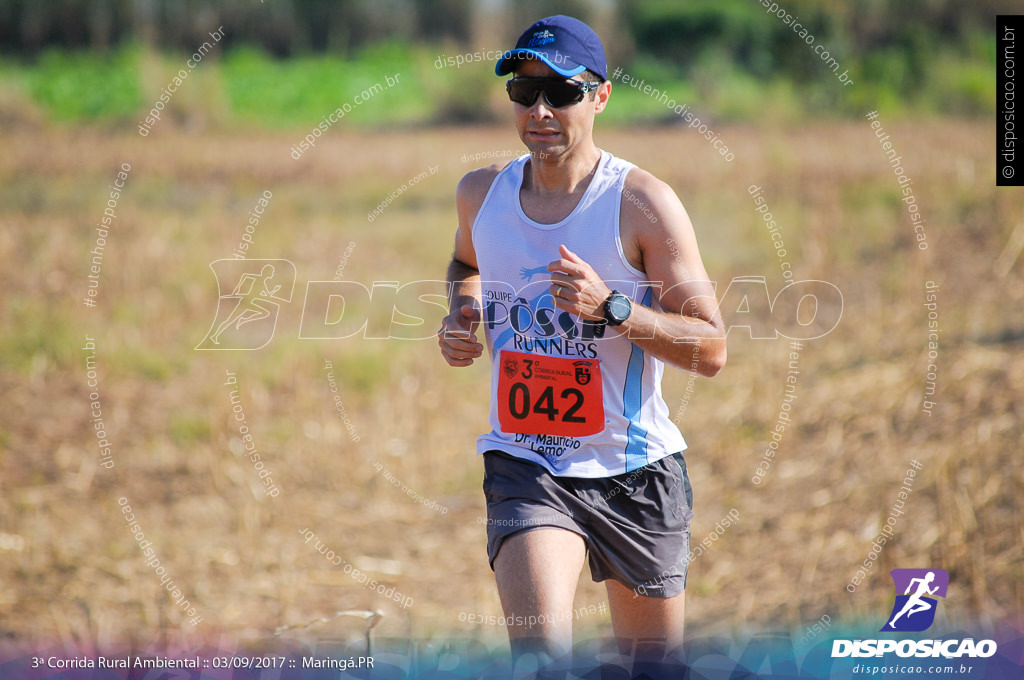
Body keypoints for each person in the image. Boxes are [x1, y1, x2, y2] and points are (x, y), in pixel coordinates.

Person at [437, 14, 726, 672]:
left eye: (560, 93)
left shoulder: (642, 203)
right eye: (523, 92)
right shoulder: (480, 194)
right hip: (526, 465)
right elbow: (465, 264)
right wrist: (462, 313)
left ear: (599, 96)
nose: (539, 110)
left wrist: (614, 308)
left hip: (635, 473)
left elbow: (711, 349)